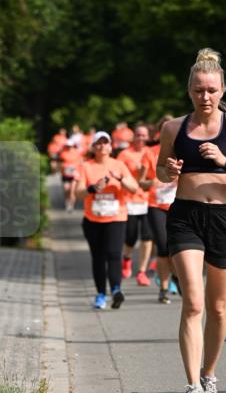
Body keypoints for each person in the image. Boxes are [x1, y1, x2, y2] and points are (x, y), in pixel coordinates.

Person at [157, 48, 226, 393]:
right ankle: (191, 389)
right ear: (190, 91)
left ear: (223, 90)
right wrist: (169, 171)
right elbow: (160, 172)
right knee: (194, 303)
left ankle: (209, 376)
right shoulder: (173, 128)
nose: (206, 97)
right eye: (199, 90)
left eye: (212, 90)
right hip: (185, 216)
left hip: (225, 217)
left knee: (218, 309)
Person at [76, 131, 139, 309]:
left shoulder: (119, 165)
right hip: (92, 220)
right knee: (98, 257)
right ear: (93, 147)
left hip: (116, 218)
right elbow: (78, 193)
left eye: (106, 143)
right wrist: (92, 188)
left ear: (111, 146)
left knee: (113, 255)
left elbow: (134, 188)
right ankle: (101, 294)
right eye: (99, 143)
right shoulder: (86, 166)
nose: (102, 146)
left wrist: (121, 180)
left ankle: (117, 291)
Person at [141, 115, 177, 303]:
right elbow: (141, 182)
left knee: (177, 248)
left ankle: (177, 277)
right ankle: (163, 288)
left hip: (180, 204)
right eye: (163, 129)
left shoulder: (183, 149)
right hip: (156, 205)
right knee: (163, 247)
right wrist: (152, 181)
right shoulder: (150, 152)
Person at [117, 124, 153, 285]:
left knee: (147, 236)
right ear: (133, 137)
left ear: (148, 137)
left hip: (148, 200)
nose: (141, 138)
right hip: (129, 200)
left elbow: (156, 173)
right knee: (130, 237)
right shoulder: (125, 154)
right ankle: (127, 259)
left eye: (144, 135)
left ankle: (141, 271)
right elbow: (117, 174)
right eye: (138, 135)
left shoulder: (150, 153)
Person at [59, 138, 83, 212]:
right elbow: (60, 162)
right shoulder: (63, 153)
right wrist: (62, 167)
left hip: (74, 174)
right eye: (68, 146)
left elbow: (81, 162)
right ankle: (67, 201)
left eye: (70, 146)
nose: (69, 147)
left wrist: (78, 170)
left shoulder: (77, 153)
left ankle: (71, 206)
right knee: (66, 189)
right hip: (65, 174)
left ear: (73, 146)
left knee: (72, 190)